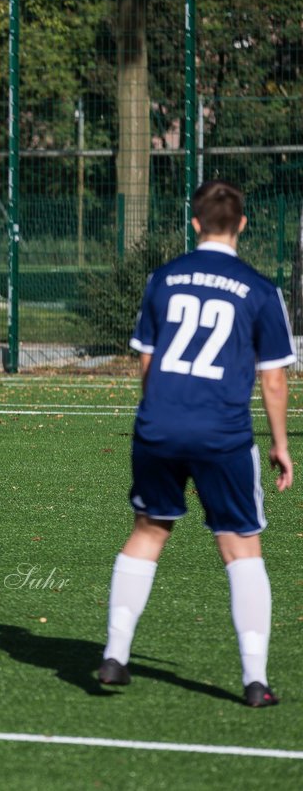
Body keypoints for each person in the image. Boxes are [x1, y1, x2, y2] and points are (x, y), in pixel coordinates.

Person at [99, 180, 294, 708]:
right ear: (243, 226)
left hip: (158, 427)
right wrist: (281, 444)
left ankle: (115, 656)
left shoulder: (163, 279)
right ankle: (255, 681)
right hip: (223, 433)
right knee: (240, 546)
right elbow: (274, 380)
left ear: (195, 223)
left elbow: (146, 360)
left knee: (149, 530)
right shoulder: (258, 289)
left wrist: (159, 415)